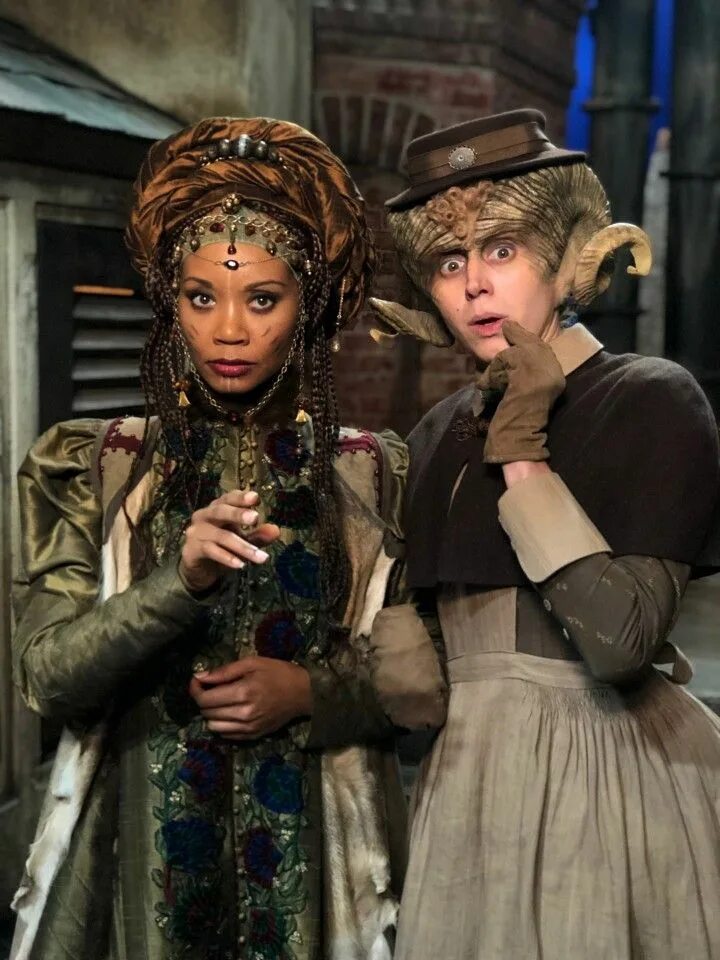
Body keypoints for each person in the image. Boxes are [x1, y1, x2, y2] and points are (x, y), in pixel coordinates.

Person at [10, 117, 411, 960]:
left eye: (262, 299)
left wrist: (312, 693)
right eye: (201, 297)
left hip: (320, 879)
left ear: (309, 304)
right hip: (138, 876)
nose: (229, 330)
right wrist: (176, 583)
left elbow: (429, 681)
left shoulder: (368, 476)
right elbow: (46, 678)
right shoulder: (98, 465)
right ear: (171, 300)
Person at [370, 109, 720, 959]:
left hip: (607, 782)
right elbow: (424, 679)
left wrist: (523, 454)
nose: (474, 286)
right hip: (466, 792)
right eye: (449, 262)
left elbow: (619, 643)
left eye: (502, 250)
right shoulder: (436, 433)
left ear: (567, 258)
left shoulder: (651, 398)